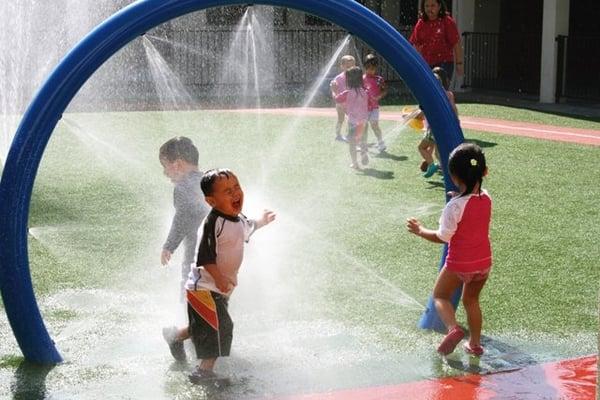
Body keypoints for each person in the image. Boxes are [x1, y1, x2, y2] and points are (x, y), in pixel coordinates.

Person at [169, 169, 276, 383]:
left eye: (236, 187)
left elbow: (250, 227)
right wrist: (218, 278)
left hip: (219, 289)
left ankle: (175, 336)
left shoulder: (239, 220)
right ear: (211, 201)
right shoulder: (213, 223)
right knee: (221, 326)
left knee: (205, 324)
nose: (235, 193)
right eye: (227, 191)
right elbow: (205, 258)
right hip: (203, 288)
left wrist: (262, 221)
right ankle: (204, 371)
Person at [406, 143, 491, 357]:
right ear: (485, 172)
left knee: (440, 296)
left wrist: (420, 230)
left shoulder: (453, 207)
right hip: (483, 263)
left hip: (459, 263)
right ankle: (475, 344)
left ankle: (453, 329)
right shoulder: (487, 198)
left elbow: (442, 237)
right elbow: (468, 204)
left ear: (453, 176)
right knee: (471, 301)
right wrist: (458, 197)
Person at [159, 136, 209, 361]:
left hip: (197, 260)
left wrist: (169, 245)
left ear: (177, 164)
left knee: (201, 305)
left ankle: (181, 336)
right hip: (206, 259)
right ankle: (182, 338)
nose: (165, 173)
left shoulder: (184, 187)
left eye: (165, 167)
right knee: (204, 307)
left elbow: (181, 219)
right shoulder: (210, 180)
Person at [409, 0, 464, 83]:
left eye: (432, 6)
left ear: (439, 6)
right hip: (427, 63)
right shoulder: (421, 23)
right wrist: (417, 62)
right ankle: (449, 95)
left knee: (439, 86)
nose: (429, 9)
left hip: (444, 63)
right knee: (429, 90)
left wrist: (459, 63)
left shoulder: (447, 21)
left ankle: (447, 94)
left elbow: (456, 43)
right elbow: (415, 44)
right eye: (427, 6)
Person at [420, 66, 458, 178]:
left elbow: (423, 111)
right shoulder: (448, 94)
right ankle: (448, 172)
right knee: (438, 152)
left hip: (434, 127)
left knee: (421, 147)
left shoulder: (431, 96)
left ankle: (432, 165)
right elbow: (453, 110)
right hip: (446, 127)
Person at [335, 66, 371, 169]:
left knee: (352, 143)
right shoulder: (366, 92)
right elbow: (370, 103)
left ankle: (355, 163)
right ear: (360, 79)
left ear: (348, 80)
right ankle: (364, 155)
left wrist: (334, 90)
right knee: (363, 141)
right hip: (364, 122)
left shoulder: (347, 92)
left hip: (353, 123)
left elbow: (337, 99)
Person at [362, 54, 387, 153]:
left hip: (374, 108)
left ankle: (381, 142)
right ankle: (363, 144)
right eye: (368, 68)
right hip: (364, 108)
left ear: (376, 68)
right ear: (365, 67)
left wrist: (378, 96)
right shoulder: (361, 78)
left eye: (372, 69)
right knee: (363, 126)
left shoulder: (379, 79)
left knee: (374, 125)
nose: (370, 71)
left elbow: (384, 90)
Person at [330, 55, 356, 142]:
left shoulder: (355, 77)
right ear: (342, 66)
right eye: (348, 67)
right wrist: (334, 92)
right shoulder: (338, 78)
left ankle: (350, 135)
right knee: (340, 119)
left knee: (352, 119)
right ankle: (338, 134)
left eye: (352, 66)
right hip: (340, 103)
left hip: (351, 103)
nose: (350, 69)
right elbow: (333, 88)